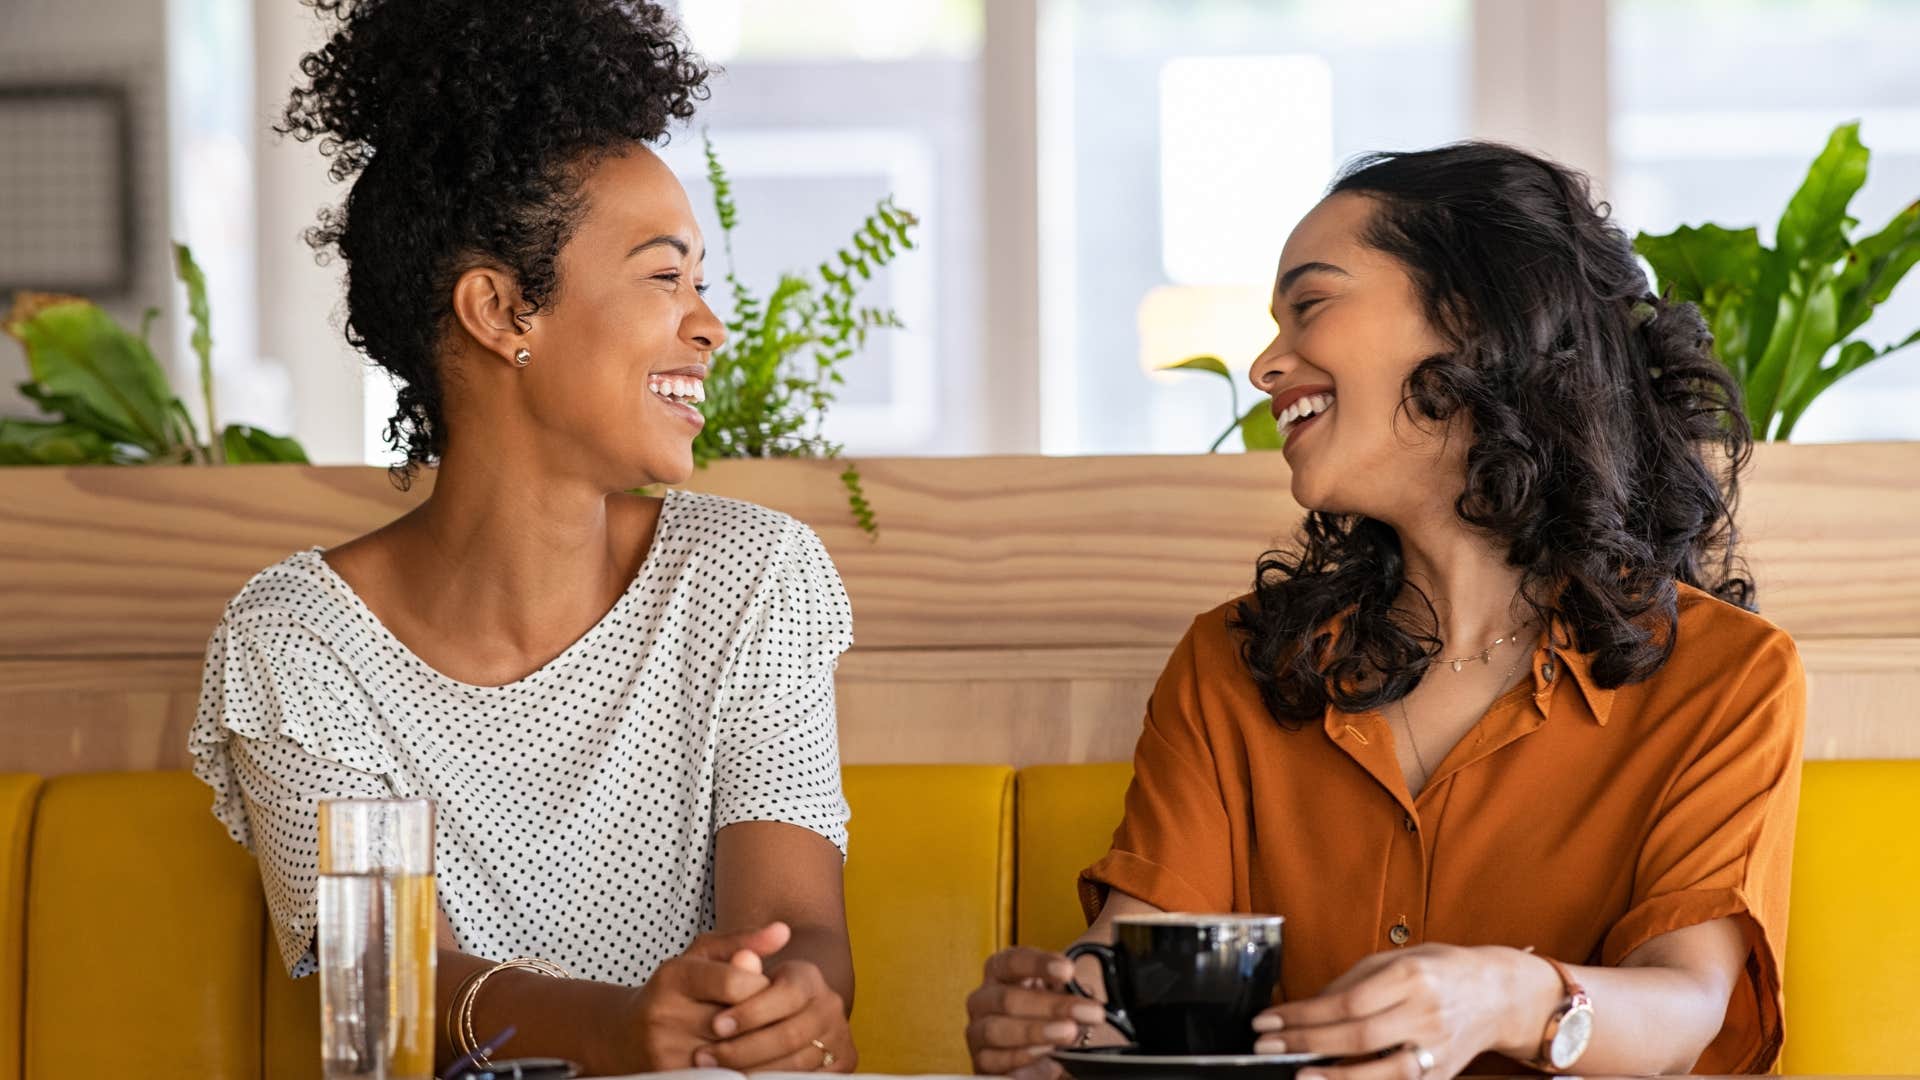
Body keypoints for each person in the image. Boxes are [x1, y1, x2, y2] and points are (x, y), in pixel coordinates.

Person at [965, 142, 1804, 1080]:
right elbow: (1134, 973)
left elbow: (1687, 1006)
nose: (1266, 364)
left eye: (1310, 306)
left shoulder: (1727, 674)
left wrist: (1506, 999)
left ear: (1480, 316)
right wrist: (1058, 1024)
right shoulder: (1229, 665)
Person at [186, 0, 856, 1073]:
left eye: (702, 281)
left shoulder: (750, 577)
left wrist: (785, 1000)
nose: (709, 322)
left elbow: (803, 929)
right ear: (501, 311)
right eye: (664, 275)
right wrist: (621, 1029)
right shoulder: (298, 645)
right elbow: (387, 986)